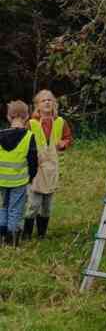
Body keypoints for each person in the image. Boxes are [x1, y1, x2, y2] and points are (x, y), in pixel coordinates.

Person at [24, 90, 73, 240]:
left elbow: (68, 138)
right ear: (37, 105)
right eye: (43, 100)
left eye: (50, 100)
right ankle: (26, 235)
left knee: (47, 205)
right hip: (35, 168)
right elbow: (23, 142)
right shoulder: (31, 123)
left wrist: (63, 143)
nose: (47, 102)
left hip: (52, 167)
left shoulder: (60, 122)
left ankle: (41, 235)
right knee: (33, 204)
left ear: (54, 104)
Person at [0, 101, 38, 247]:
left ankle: (2, 236)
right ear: (27, 116)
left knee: (3, 206)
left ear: (9, 117)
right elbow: (32, 160)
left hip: (2, 180)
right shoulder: (29, 136)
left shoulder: (0, 135)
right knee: (16, 208)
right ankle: (12, 240)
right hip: (19, 181)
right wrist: (32, 177)